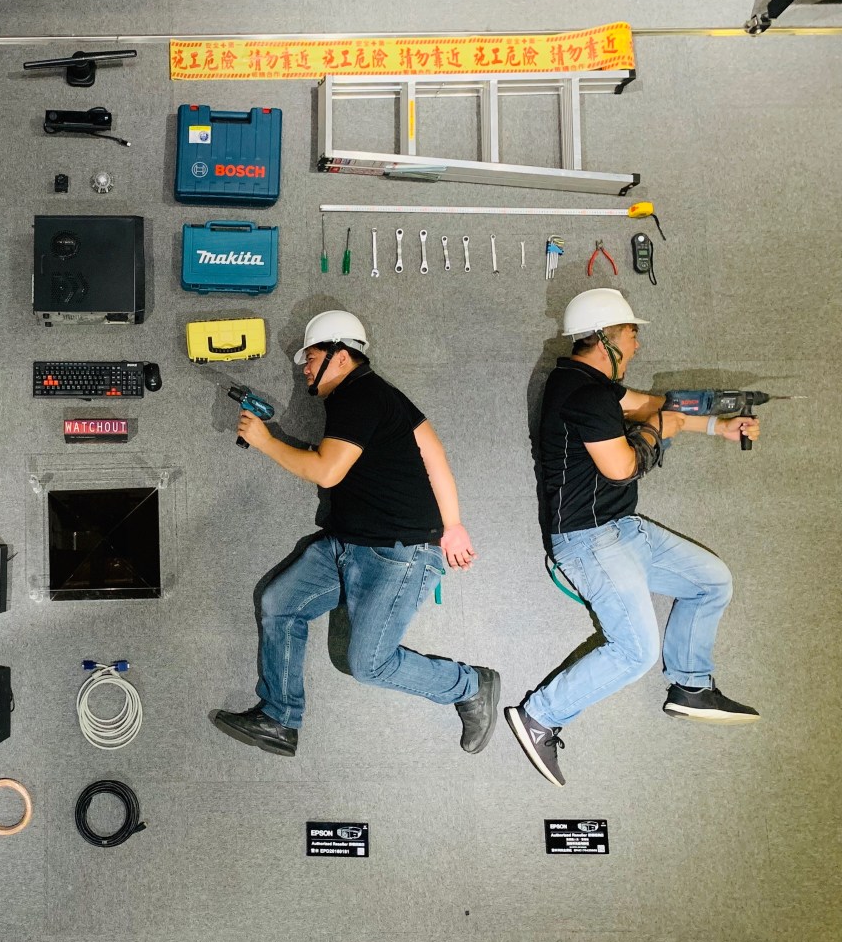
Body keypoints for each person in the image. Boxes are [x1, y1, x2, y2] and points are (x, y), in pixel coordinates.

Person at [211, 310, 499, 758]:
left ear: (341, 356)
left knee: (368, 665)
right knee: (280, 603)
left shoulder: (358, 396)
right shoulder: (382, 395)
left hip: (397, 553)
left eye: (311, 358)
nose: (304, 368)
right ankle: (280, 719)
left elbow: (327, 472)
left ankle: (470, 686)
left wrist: (266, 441)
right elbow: (434, 453)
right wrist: (454, 523)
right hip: (348, 544)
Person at [505, 288, 760, 788]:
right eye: (631, 333)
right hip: (588, 541)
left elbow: (648, 404)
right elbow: (623, 467)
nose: (637, 344)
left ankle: (690, 687)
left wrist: (718, 424)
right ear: (605, 337)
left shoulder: (586, 383)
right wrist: (659, 429)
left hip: (623, 528)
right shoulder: (582, 394)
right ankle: (540, 716)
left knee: (711, 581)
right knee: (634, 651)